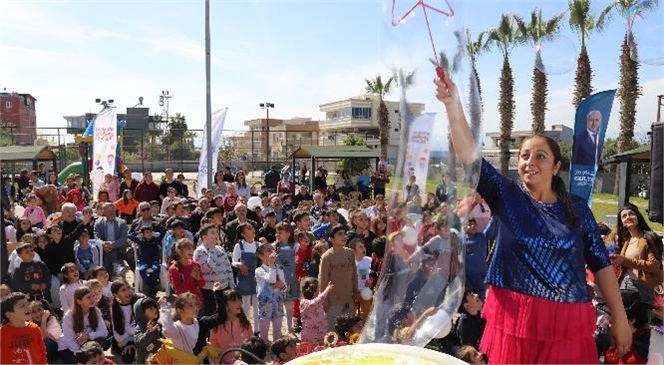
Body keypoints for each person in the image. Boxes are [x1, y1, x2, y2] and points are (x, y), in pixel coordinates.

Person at [435, 74, 631, 363]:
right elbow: (470, 156)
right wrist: (452, 105)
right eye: (525, 155)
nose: (530, 161)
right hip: (515, 318)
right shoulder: (506, 194)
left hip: (566, 322)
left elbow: (601, 265)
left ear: (556, 167)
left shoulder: (575, 209)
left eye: (541, 156)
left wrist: (621, 319)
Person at [606, 203, 663, 307]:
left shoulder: (648, 238)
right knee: (624, 322)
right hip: (624, 285)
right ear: (622, 223)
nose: (628, 217)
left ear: (638, 217)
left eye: (631, 214)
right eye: (624, 216)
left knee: (639, 322)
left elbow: (654, 266)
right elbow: (625, 263)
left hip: (642, 287)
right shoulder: (627, 240)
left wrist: (624, 260)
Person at [0, 292, 48, 364]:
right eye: (22, 306)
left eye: (28, 304)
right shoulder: (2, 333)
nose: (28, 307)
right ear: (9, 314)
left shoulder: (34, 328)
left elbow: (42, 353)